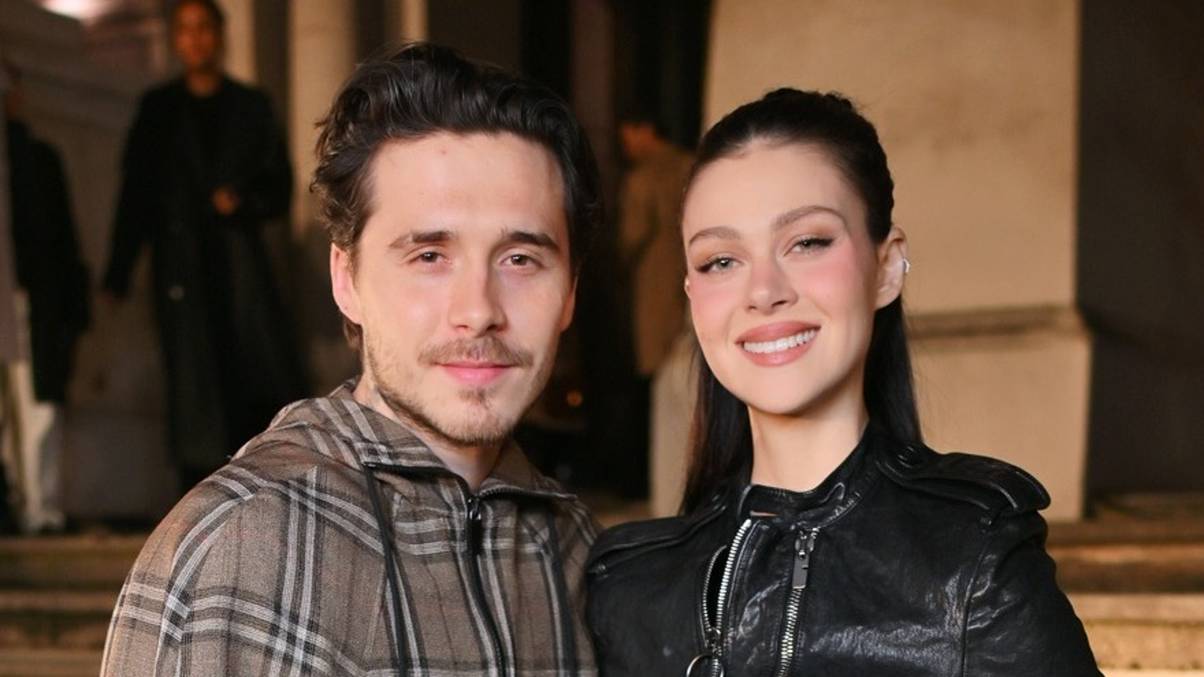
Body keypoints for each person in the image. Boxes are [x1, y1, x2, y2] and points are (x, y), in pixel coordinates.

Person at [101, 43, 601, 675]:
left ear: (570, 292)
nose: (478, 311)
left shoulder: (576, 550)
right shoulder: (242, 545)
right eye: (429, 256)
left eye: (520, 260)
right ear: (347, 279)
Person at [586, 89, 1101, 675]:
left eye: (807, 243)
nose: (763, 292)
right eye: (720, 261)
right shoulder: (628, 584)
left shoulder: (975, 559)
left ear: (886, 268)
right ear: (692, 294)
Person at [101, 0, 302, 491]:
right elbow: (136, 196)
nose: (195, 39)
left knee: (254, 373)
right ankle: (198, 497)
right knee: (192, 382)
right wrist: (118, 271)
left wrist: (242, 201)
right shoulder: (158, 110)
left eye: (203, 28)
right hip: (181, 267)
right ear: (175, 38)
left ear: (220, 34)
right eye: (185, 30)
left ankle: (258, 488)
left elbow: (280, 187)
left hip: (239, 265)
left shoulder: (251, 105)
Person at [3, 59, 90, 533]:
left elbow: (61, 239)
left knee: (38, 405)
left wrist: (74, 307)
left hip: (30, 299)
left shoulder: (38, 159)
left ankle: (42, 510)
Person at [607, 115, 694, 498]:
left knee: (661, 402)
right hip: (696, 295)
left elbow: (630, 238)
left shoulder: (642, 179)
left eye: (627, 135)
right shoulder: (694, 167)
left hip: (657, 297)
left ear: (645, 129)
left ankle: (661, 496)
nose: (625, 145)